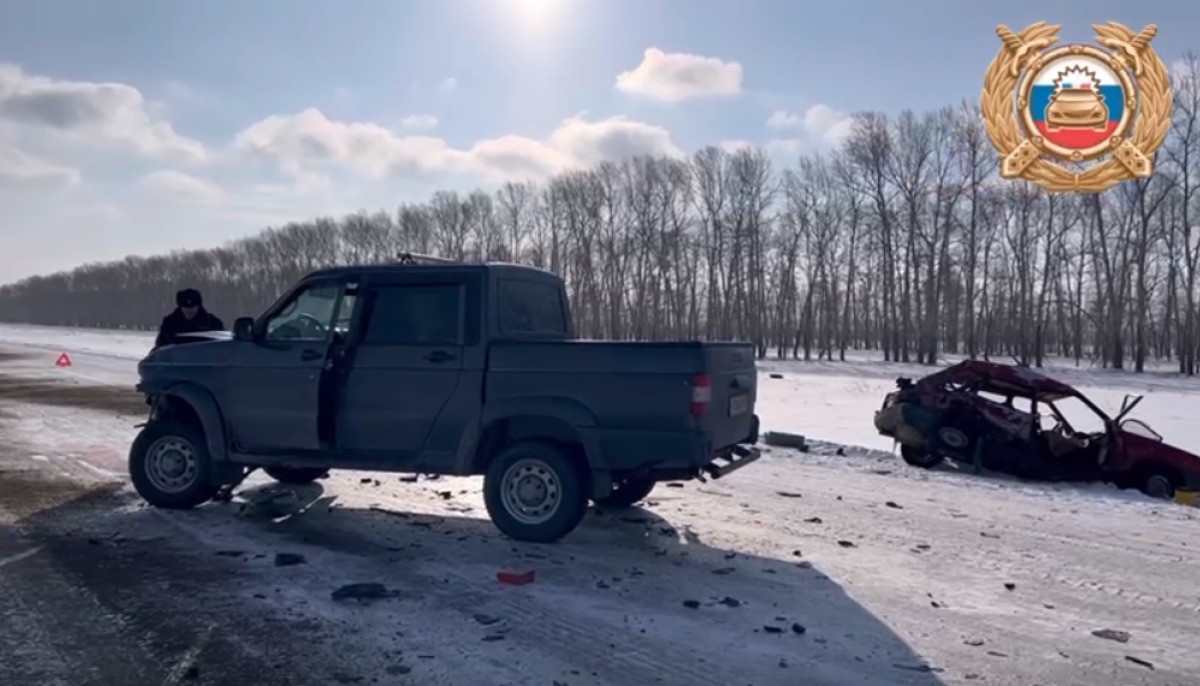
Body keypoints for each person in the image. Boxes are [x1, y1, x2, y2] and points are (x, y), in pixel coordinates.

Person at [154, 288, 225, 349]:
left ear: (198, 306)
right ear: (180, 306)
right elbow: (160, 347)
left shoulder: (213, 323)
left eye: (192, 307)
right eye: (185, 307)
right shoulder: (170, 323)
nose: (189, 310)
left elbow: (221, 348)